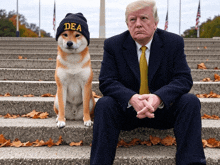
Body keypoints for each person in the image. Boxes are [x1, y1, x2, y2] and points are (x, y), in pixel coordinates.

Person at [90, 0, 206, 164]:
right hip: (128, 112)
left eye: (144, 18)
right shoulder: (113, 45)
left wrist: (158, 97)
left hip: (162, 111)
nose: (138, 24)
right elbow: (107, 81)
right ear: (127, 24)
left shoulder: (173, 43)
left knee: (190, 101)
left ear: (155, 23)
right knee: (104, 104)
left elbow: (183, 79)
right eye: (132, 20)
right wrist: (131, 98)